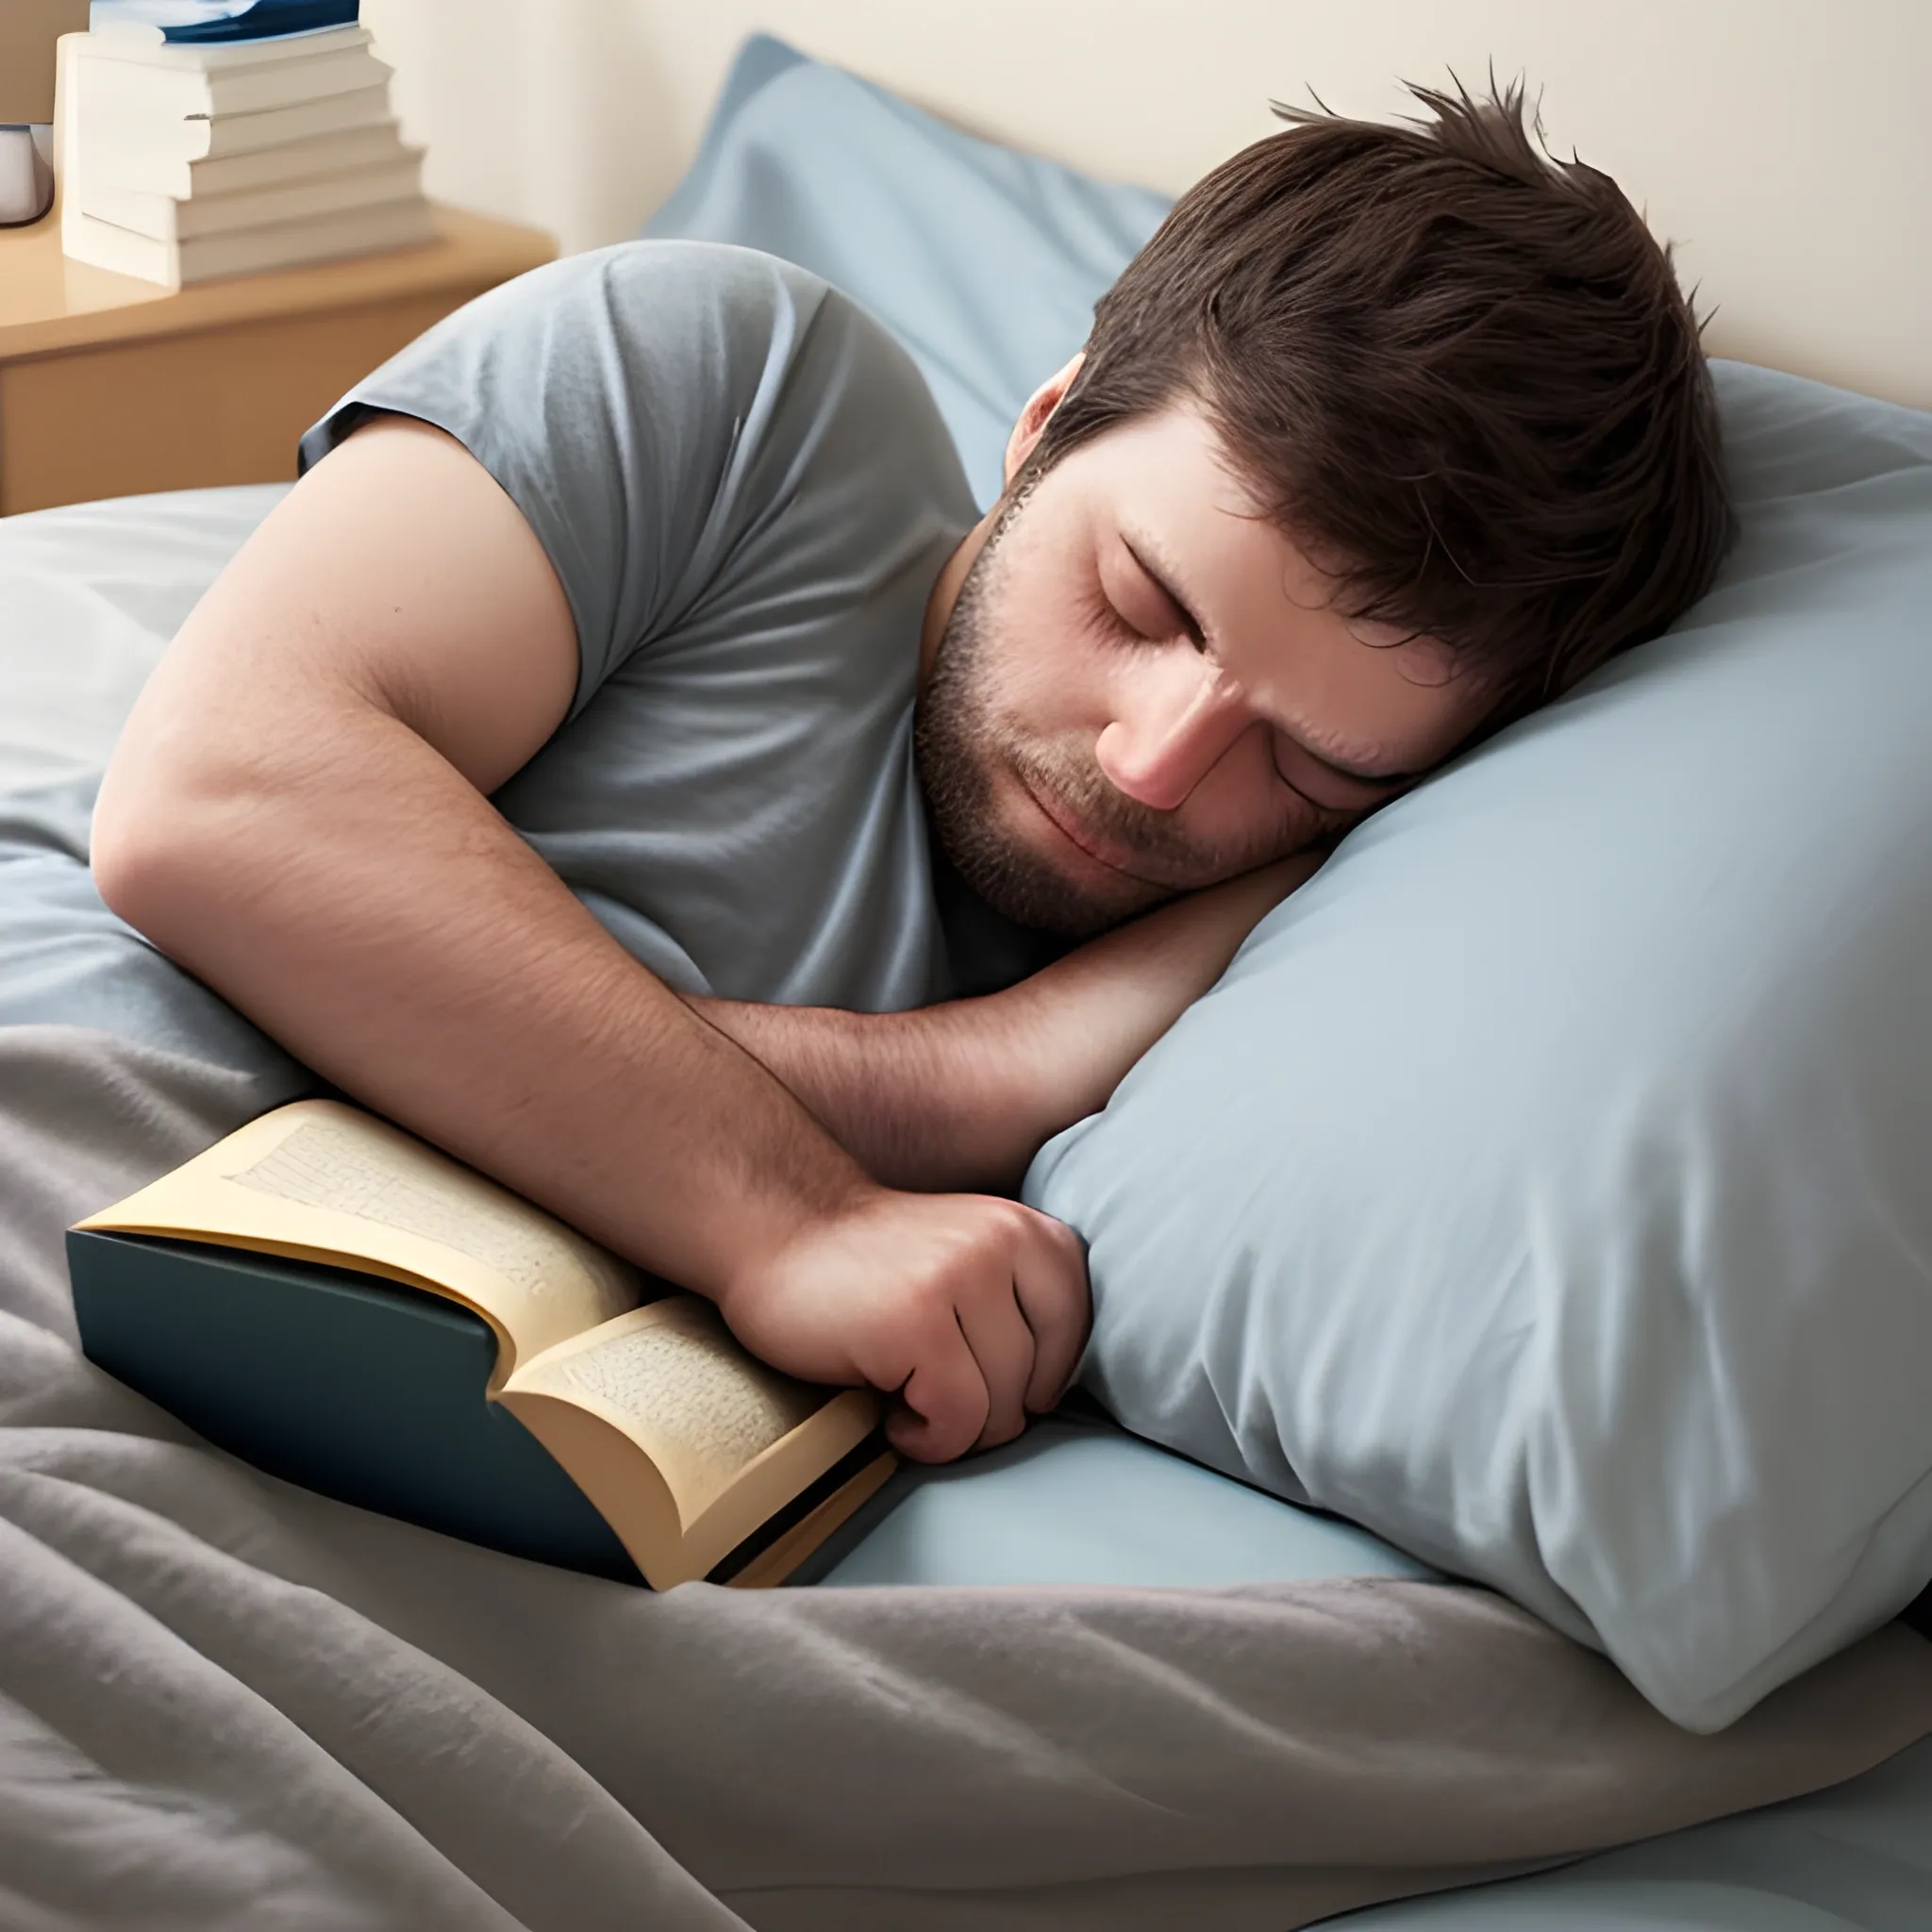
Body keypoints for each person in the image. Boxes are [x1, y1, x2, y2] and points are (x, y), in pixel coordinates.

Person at [78, 76, 1735, 1465]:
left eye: (1309, 762)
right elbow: (225, 800)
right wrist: (850, 1176)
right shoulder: (736, 385)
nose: (1157, 773)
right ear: (1049, 425)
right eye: (1138, 603)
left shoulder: (1326, 936)